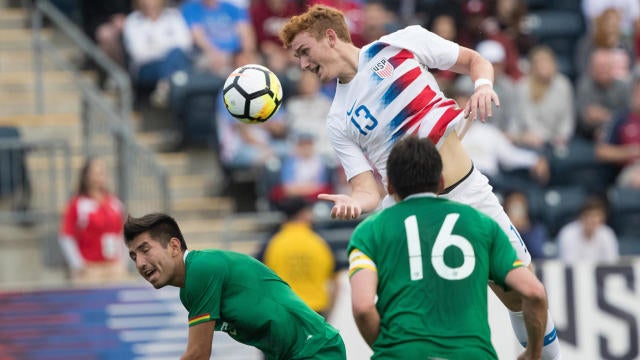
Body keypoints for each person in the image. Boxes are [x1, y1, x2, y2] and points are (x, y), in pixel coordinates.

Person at [279, 5, 561, 359]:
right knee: (422, 317)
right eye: (298, 58)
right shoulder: (338, 118)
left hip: (467, 191)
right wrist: (356, 202)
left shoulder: (399, 45)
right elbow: (368, 188)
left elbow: (475, 61)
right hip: (411, 216)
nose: (302, 65)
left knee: (524, 295)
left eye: (304, 52)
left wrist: (483, 86)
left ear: (331, 37)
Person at [347, 136, 548, 359]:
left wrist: (391, 349)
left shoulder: (370, 231)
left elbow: (363, 307)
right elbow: (535, 292)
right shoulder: (481, 224)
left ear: (390, 185)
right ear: (441, 181)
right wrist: (533, 352)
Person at [123, 213, 346, 359]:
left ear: (173, 246)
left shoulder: (200, 269)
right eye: (133, 257)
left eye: (145, 249)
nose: (140, 263)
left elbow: (198, 355)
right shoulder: (189, 288)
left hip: (315, 349)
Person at [258, 196, 339, 317]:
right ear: (304, 214)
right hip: (315, 311)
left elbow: (259, 278)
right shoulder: (320, 242)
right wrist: (330, 312)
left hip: (283, 310)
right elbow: (336, 280)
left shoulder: (272, 243)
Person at [58, 157, 128, 284]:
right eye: (95, 173)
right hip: (90, 267)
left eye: (102, 173)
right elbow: (66, 236)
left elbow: (122, 234)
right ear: (86, 176)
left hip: (113, 266)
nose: (99, 177)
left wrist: (123, 261)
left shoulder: (114, 203)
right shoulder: (78, 204)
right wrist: (78, 264)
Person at [557, 197, 620, 264]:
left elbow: (612, 263)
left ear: (602, 219)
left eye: (596, 216)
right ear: (580, 217)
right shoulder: (568, 233)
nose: (591, 220)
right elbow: (568, 265)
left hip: (600, 273)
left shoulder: (607, 234)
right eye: (588, 216)